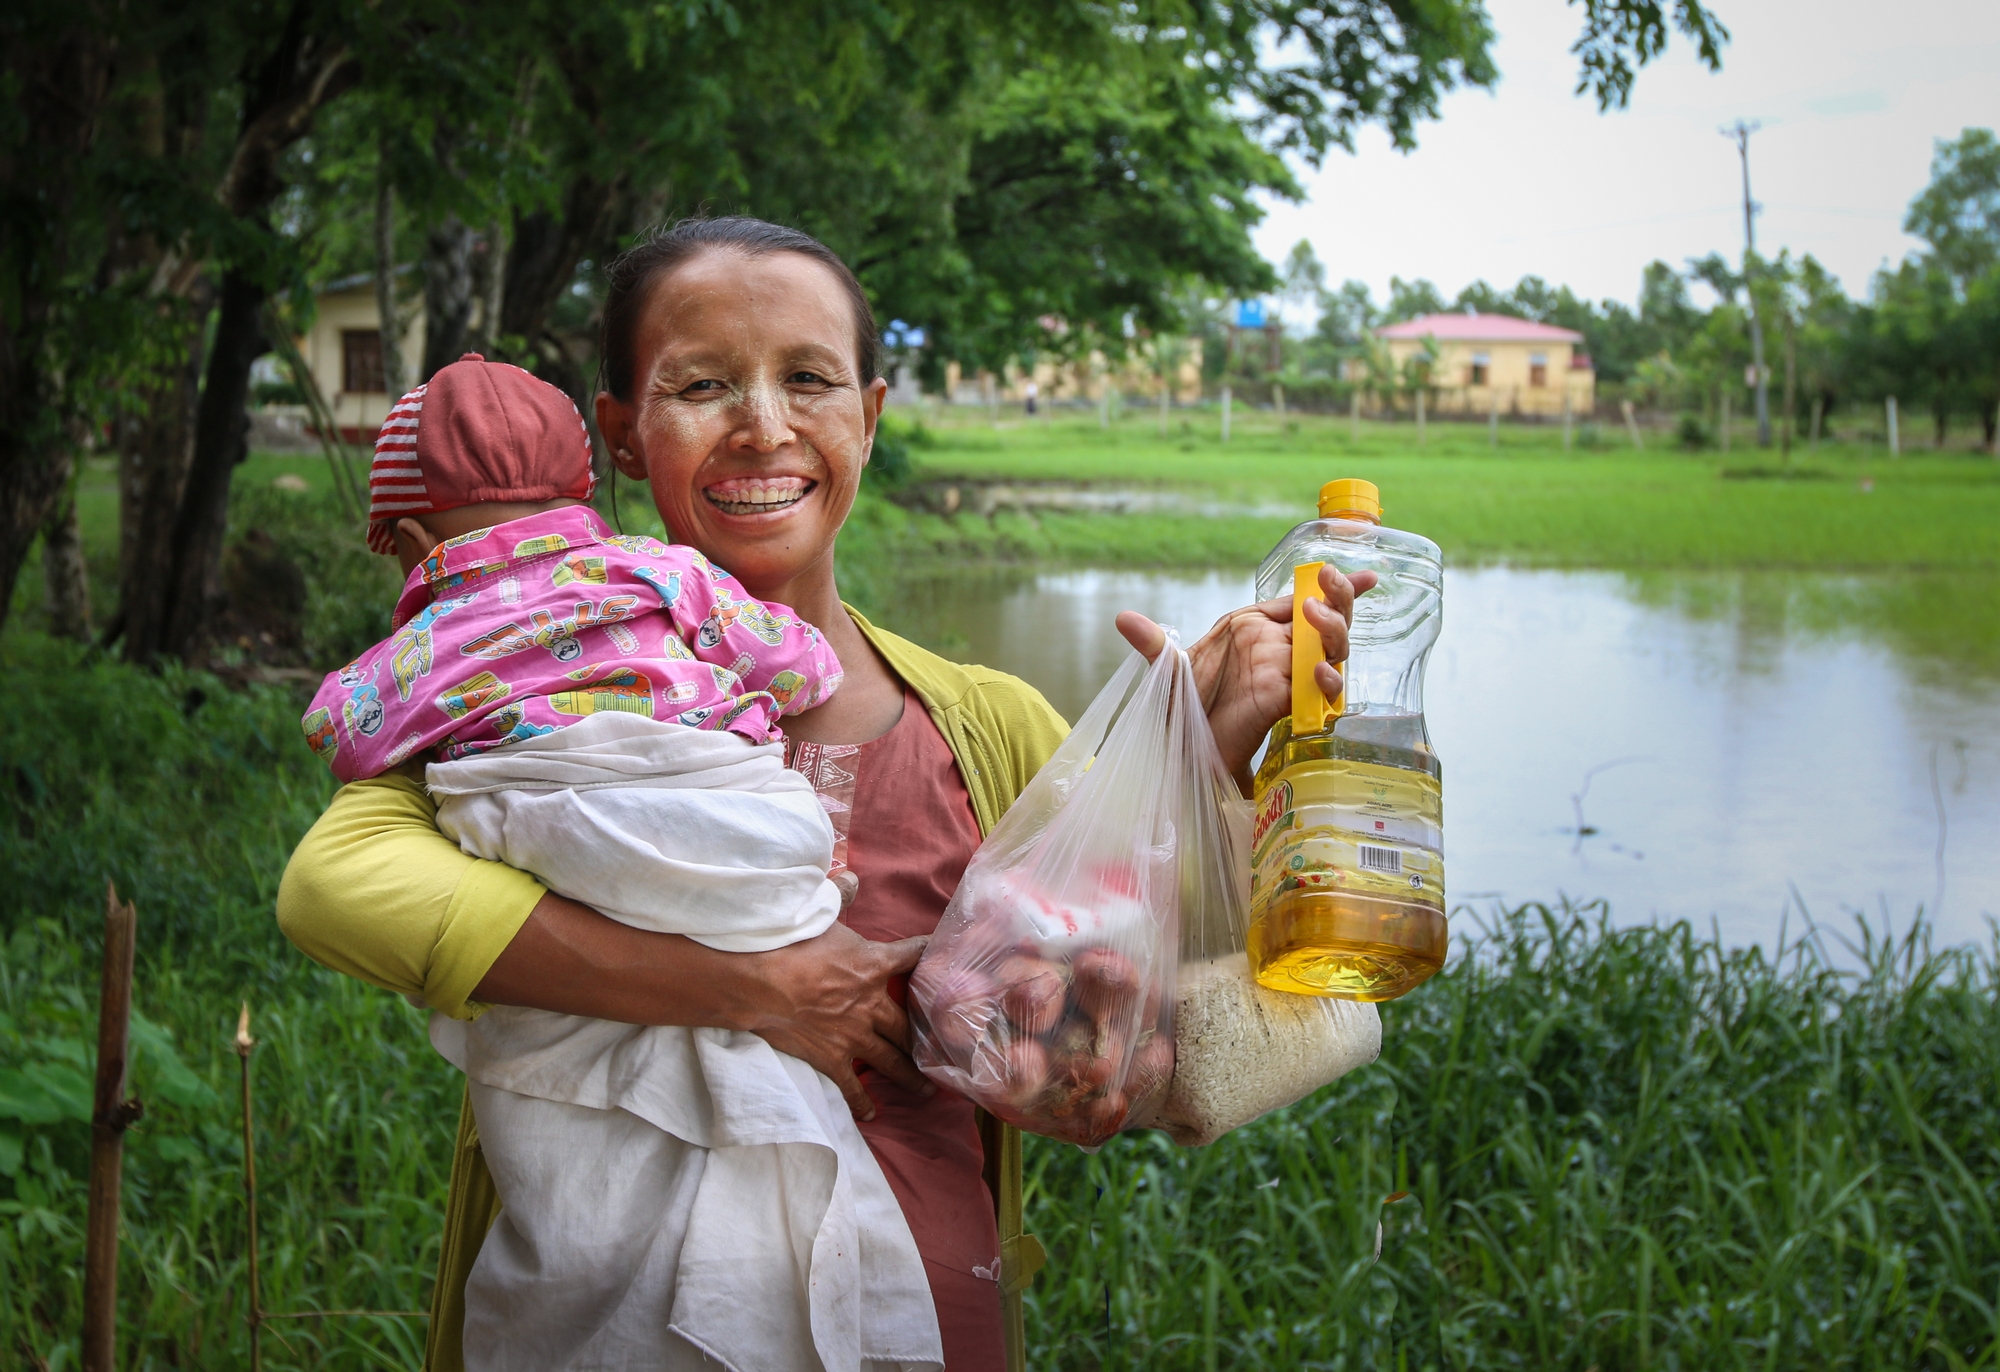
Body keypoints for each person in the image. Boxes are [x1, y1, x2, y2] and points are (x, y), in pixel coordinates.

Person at [276, 215, 1373, 1372]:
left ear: (869, 415)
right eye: (699, 384)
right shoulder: (509, 710)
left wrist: (1190, 756)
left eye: (809, 379)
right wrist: (760, 988)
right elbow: (330, 890)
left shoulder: (989, 727)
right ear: (621, 437)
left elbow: (1102, 1052)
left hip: (934, 1330)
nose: (762, 425)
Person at [302, 352, 938, 1371]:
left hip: (553, 830)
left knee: (584, 1210)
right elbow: (798, 663)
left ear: (408, 539)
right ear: (592, 478)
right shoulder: (656, 570)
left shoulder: (411, 659)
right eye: (703, 385)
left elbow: (340, 727)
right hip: (741, 835)